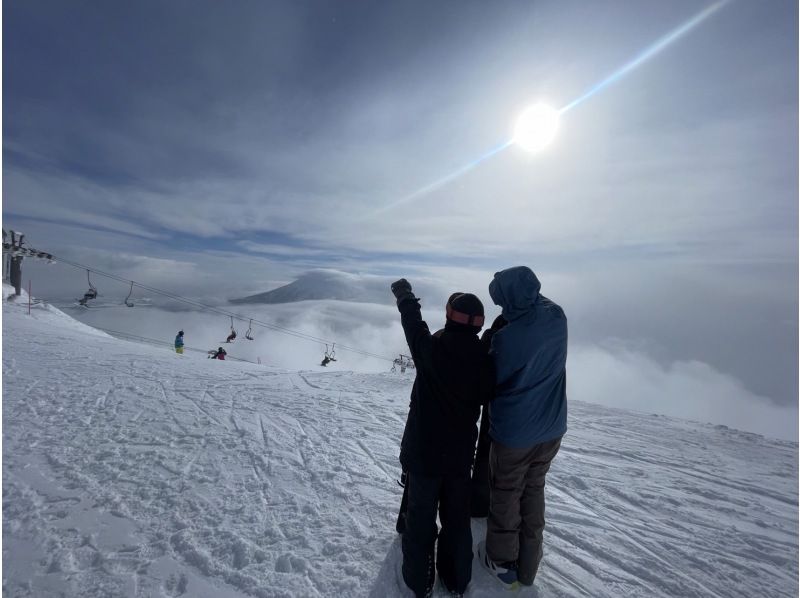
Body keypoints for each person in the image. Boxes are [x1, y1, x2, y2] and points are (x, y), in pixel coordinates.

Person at [391, 279, 494, 598]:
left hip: (424, 455)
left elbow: (412, 323)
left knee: (420, 519)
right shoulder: (485, 360)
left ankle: (418, 580)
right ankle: (457, 578)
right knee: (456, 520)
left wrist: (406, 296)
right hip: (461, 455)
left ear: (449, 316)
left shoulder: (430, 349)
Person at [477, 266, 567, 589]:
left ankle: (501, 562)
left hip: (515, 433)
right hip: (552, 427)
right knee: (534, 489)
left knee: (507, 491)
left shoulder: (506, 339)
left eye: (501, 300)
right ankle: (529, 565)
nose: (500, 307)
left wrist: (489, 340)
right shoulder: (557, 317)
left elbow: (491, 379)